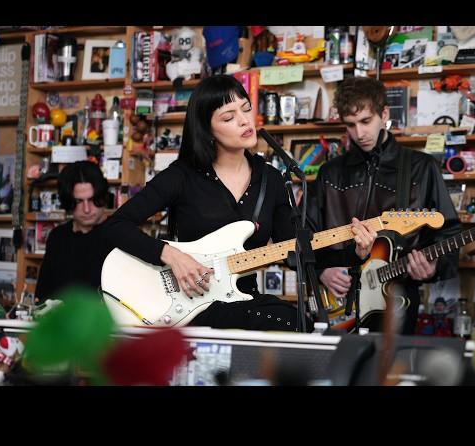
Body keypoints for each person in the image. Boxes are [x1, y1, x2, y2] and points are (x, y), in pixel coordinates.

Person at [103, 75, 375, 331]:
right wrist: (173, 257)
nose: (245, 121)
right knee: (286, 320)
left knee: (299, 321)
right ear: (207, 129)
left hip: (244, 299)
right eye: (229, 117)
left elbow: (299, 251)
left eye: (246, 109)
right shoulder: (182, 176)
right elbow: (115, 225)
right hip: (192, 305)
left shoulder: (271, 179)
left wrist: (356, 253)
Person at [308, 76, 461, 334]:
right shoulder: (329, 173)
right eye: (351, 125)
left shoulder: (420, 168)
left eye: (366, 121)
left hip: (398, 300)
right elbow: (305, 234)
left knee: (389, 372)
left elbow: (450, 231)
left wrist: (434, 267)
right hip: (337, 301)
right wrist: (321, 270)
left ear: (384, 113)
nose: (359, 133)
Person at [36, 161, 110, 302]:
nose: (87, 209)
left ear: (102, 196)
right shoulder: (57, 237)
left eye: (92, 200)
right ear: (68, 201)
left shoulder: (120, 235)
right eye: (79, 201)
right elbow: (43, 296)